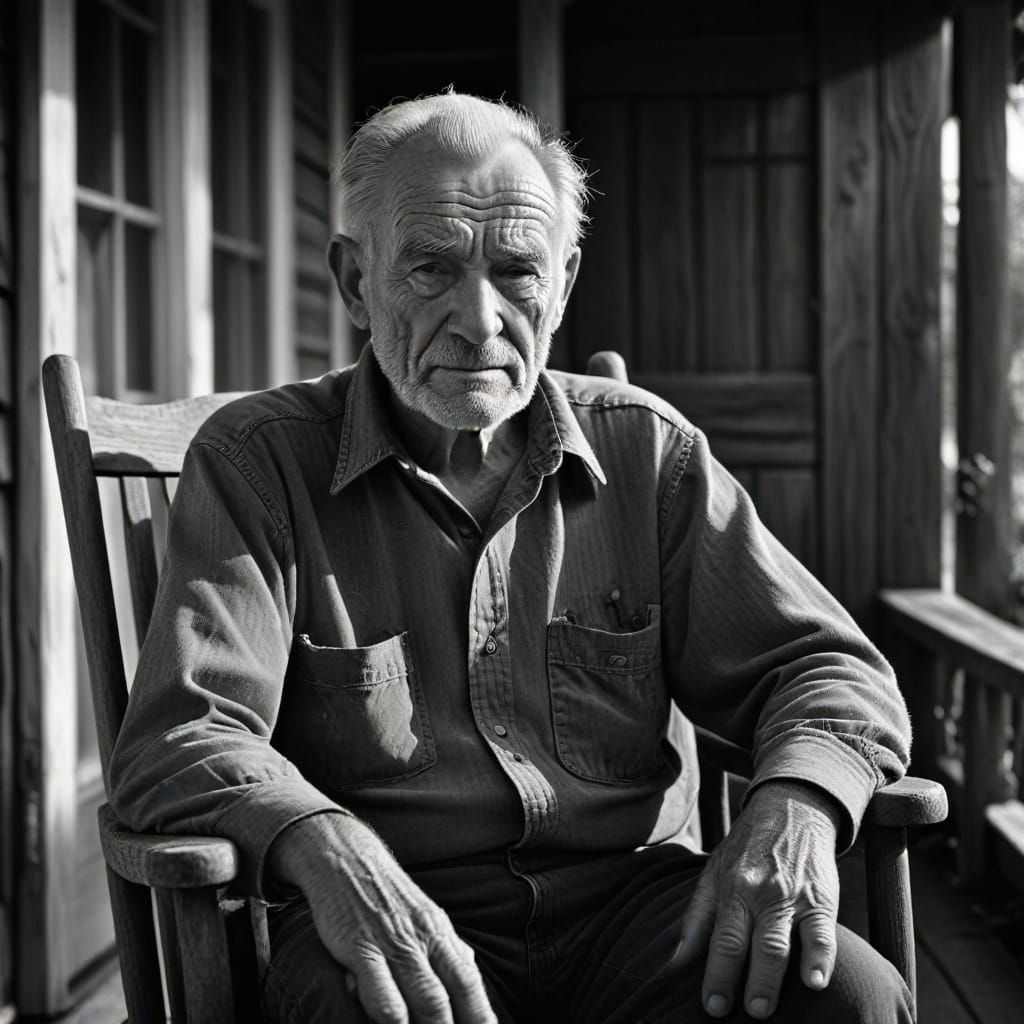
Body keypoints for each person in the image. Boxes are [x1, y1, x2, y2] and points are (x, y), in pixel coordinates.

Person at [110, 92, 914, 1023]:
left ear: (562, 283)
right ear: (355, 281)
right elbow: (181, 735)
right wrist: (325, 843)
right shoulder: (261, 466)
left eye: (517, 271)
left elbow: (827, 670)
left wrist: (799, 802)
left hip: (633, 911)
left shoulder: (646, 453)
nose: (480, 320)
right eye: (431, 268)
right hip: (387, 907)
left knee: (849, 998)